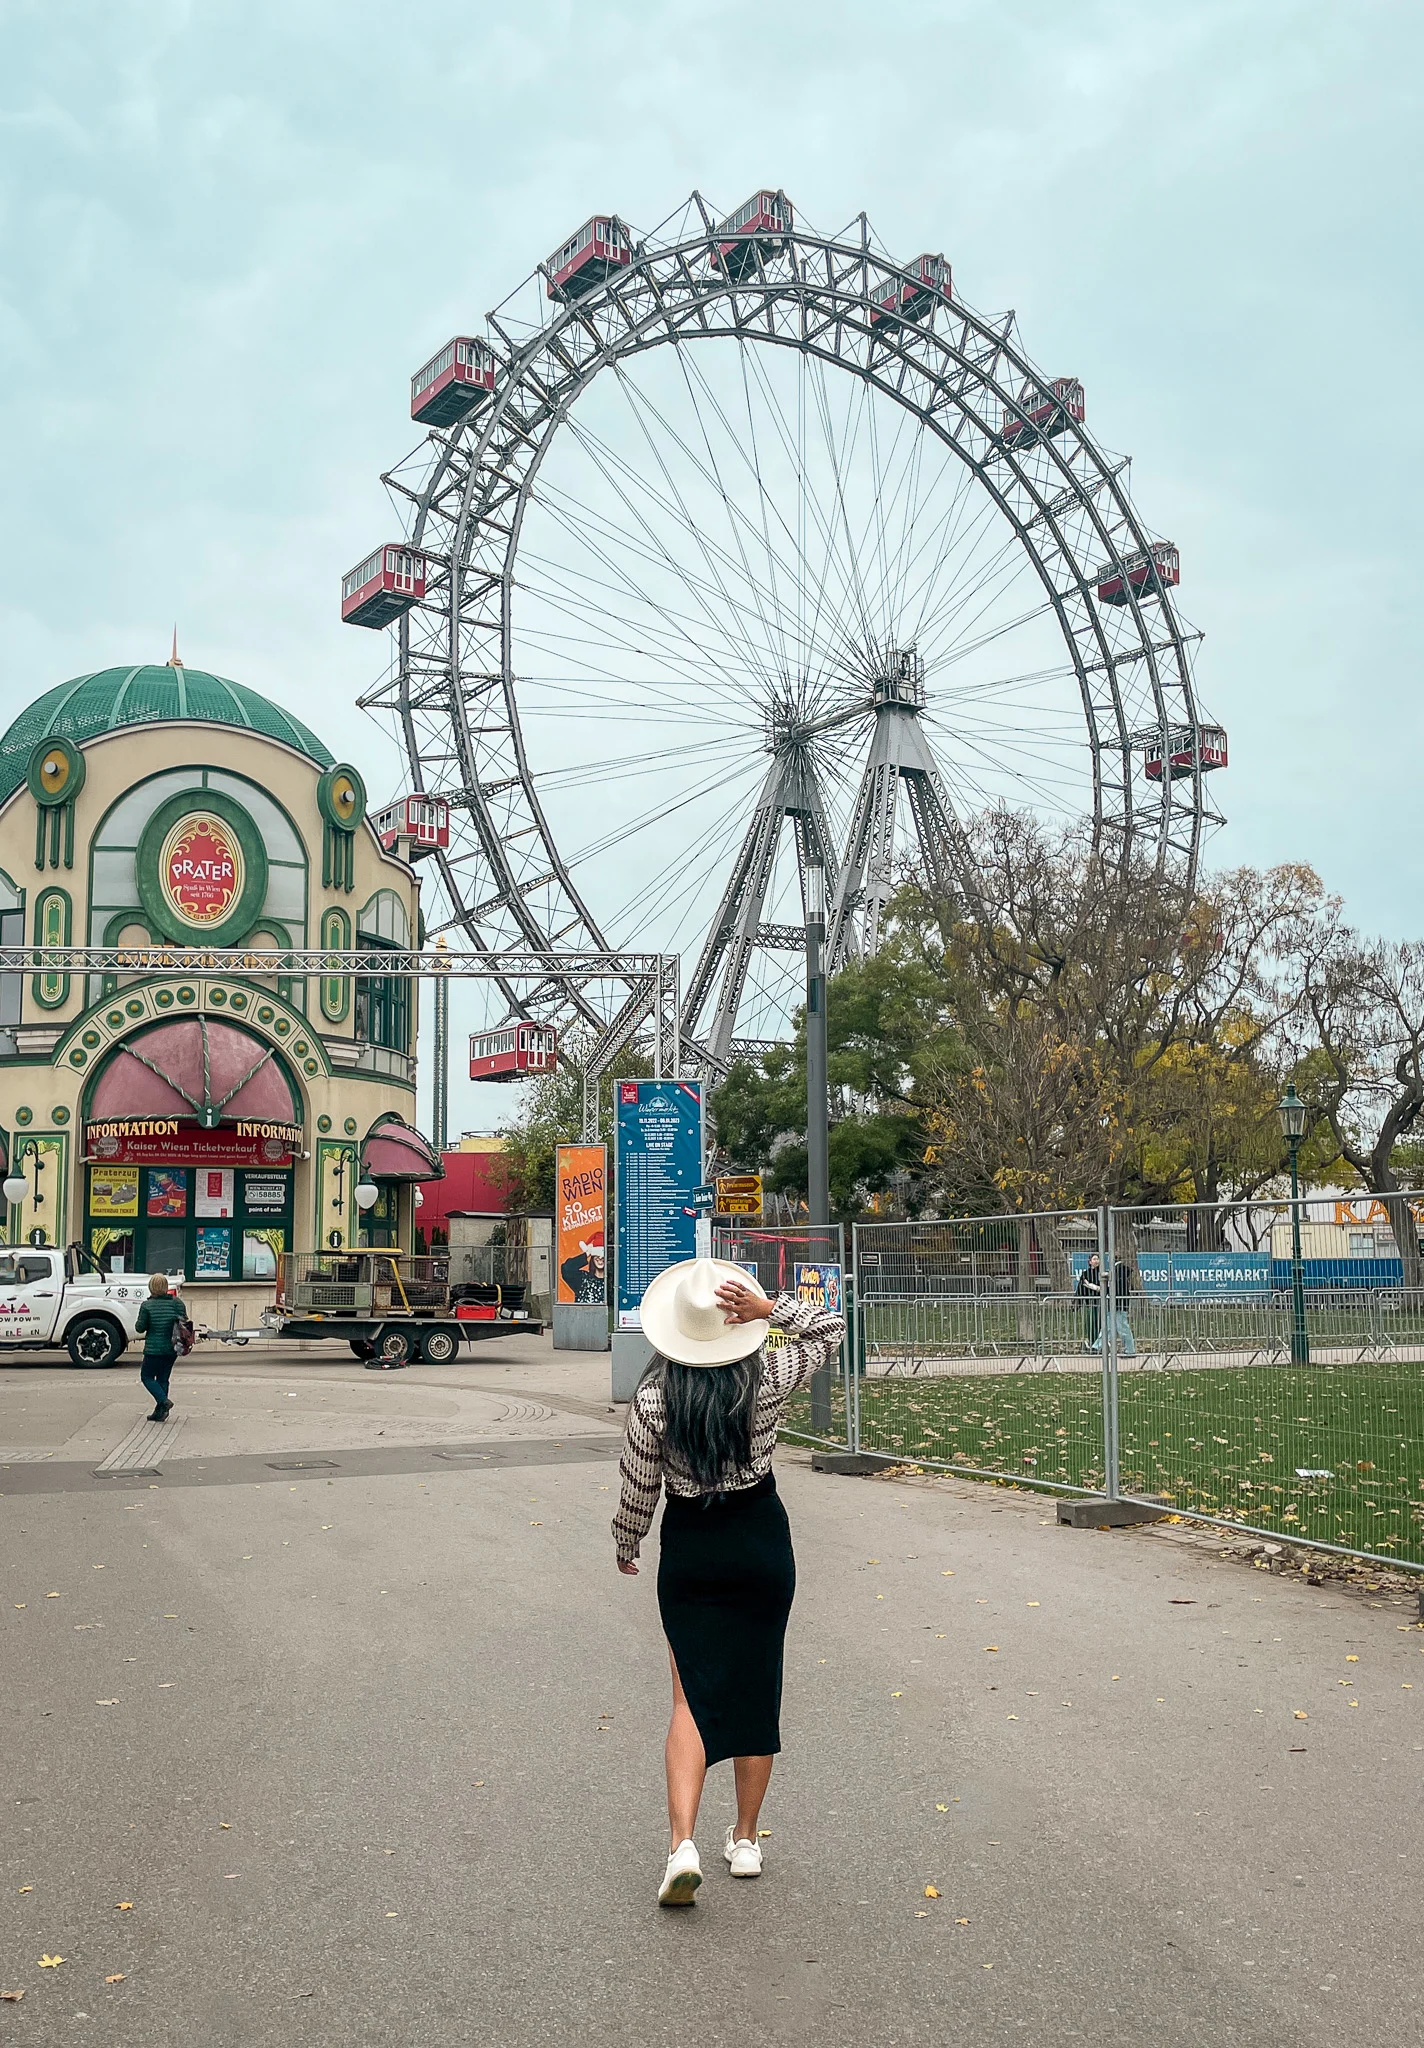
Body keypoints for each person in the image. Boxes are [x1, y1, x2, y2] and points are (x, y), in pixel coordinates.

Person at [613, 1257, 846, 1908]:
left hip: (692, 1546)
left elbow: (640, 1484)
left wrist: (626, 1541)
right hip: (760, 1542)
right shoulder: (767, 1375)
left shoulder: (655, 1397)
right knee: (756, 1684)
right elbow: (830, 1329)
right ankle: (744, 1840)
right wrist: (770, 1307)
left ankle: (681, 1844)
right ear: (732, 1321)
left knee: (690, 1699)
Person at [135, 1271, 190, 1420]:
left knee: (146, 1377)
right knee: (163, 1379)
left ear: (151, 1287)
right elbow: (184, 1322)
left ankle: (163, 1401)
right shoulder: (177, 1303)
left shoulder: (147, 1305)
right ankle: (160, 1412)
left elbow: (139, 1327)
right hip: (172, 1348)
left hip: (153, 1349)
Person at [1088, 1258, 1136, 1359]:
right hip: (1114, 1303)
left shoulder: (1119, 1271)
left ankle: (1130, 1350)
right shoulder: (1117, 1270)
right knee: (1108, 1327)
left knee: (1122, 1327)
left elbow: (1116, 1288)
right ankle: (1097, 1347)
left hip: (1118, 1304)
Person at [559, 1229, 606, 1304]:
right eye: (596, 1254)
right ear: (592, 1257)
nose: (600, 1258)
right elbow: (566, 1269)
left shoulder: (613, 1283)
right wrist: (587, 1253)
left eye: (604, 1255)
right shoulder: (583, 1279)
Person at [1075, 1252, 1103, 1349]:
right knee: (1090, 1323)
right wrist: (1077, 1303)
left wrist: (1093, 1287)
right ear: (1090, 1261)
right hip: (1090, 1302)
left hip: (1101, 1302)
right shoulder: (1085, 1274)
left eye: (1097, 1259)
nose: (1096, 1261)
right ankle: (1092, 1342)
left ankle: (1098, 1344)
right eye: (1094, 1259)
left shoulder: (1102, 1273)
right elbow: (1081, 1288)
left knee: (1100, 1323)